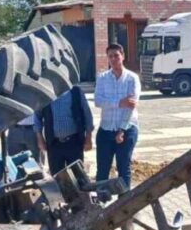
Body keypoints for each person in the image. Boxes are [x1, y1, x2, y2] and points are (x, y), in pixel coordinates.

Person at [93, 43, 141, 190]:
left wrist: (121, 130)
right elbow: (98, 101)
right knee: (102, 170)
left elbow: (131, 106)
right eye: (110, 56)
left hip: (127, 130)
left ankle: (125, 206)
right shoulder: (102, 78)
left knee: (123, 168)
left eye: (116, 55)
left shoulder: (132, 79)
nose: (113, 59)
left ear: (123, 56)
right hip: (106, 129)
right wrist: (119, 102)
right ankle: (99, 206)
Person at [37, 85, 94, 173]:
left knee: (78, 177)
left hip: (74, 142)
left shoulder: (75, 91)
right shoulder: (45, 93)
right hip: (54, 144)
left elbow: (87, 114)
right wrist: (40, 138)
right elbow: (37, 116)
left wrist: (88, 137)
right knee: (57, 178)